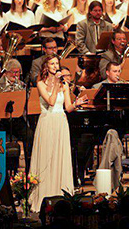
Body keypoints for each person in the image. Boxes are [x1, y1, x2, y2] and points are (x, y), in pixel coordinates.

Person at [29, 55, 87, 212]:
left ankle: (61, 196)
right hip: (47, 121)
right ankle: (44, 196)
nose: (56, 66)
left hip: (61, 122)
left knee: (60, 156)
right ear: (46, 67)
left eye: (57, 63)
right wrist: (55, 83)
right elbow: (51, 101)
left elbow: (67, 107)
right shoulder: (40, 83)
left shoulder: (64, 85)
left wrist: (77, 103)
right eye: (52, 63)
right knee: (47, 156)